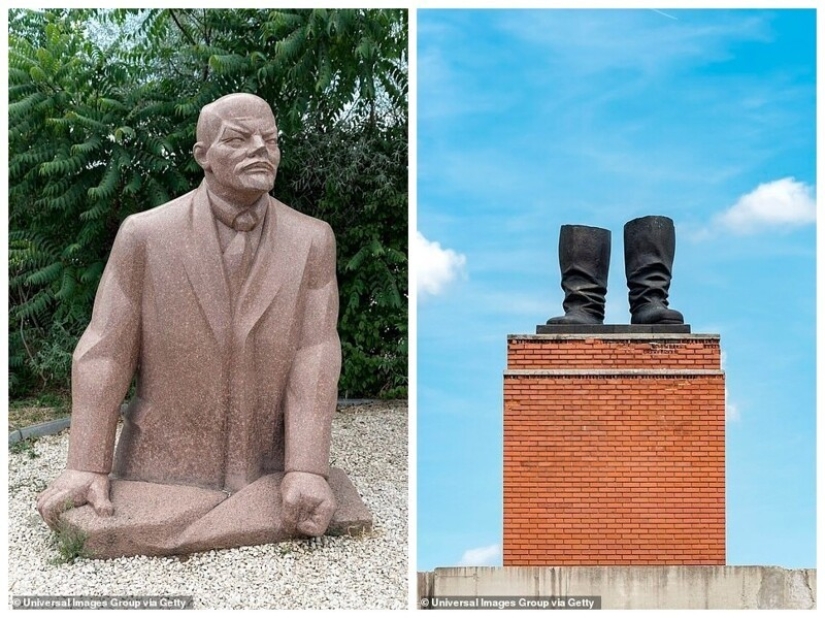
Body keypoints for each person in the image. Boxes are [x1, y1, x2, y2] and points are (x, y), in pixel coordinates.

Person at [36, 93, 347, 553]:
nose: (260, 148)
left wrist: (306, 467)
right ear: (203, 156)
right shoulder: (145, 235)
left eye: (271, 139)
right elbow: (105, 349)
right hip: (158, 463)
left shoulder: (312, 240)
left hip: (269, 463)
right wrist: (86, 463)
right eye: (239, 138)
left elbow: (315, 351)